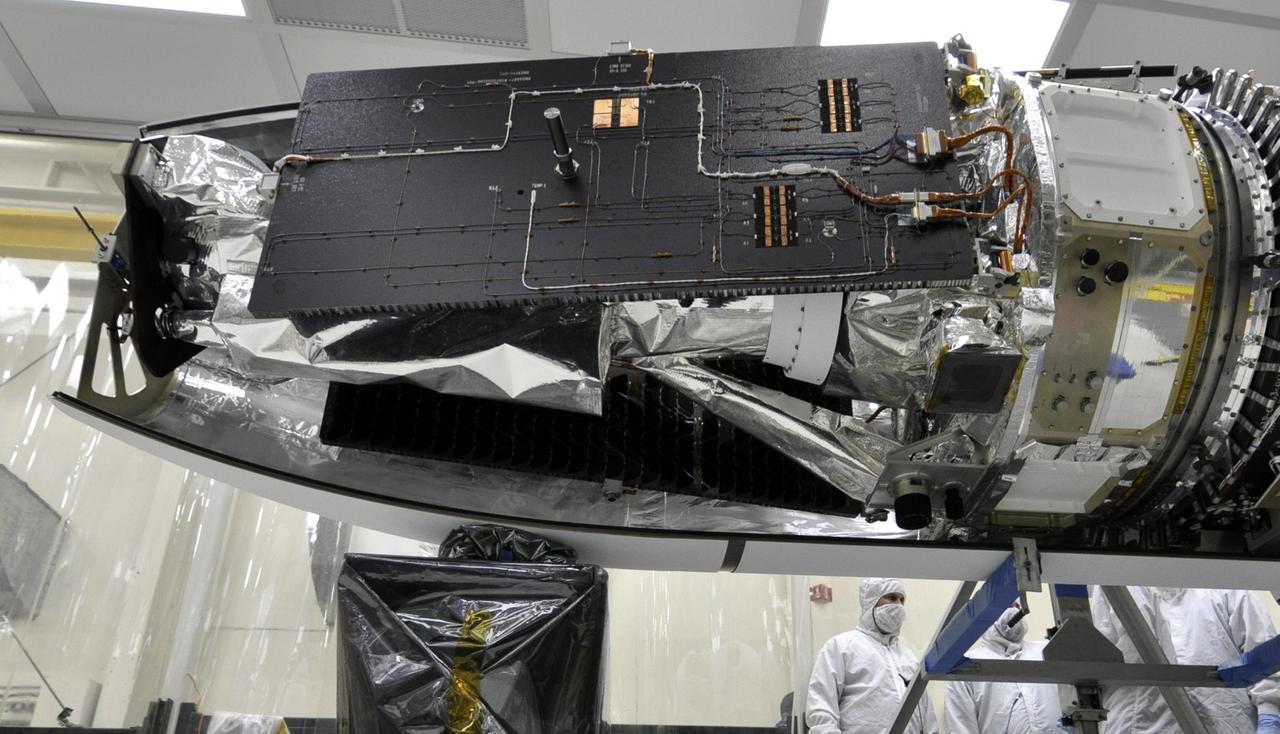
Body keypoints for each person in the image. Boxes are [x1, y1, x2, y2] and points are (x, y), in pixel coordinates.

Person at [1089, 586, 1280, 733]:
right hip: (1141, 725)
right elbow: (1100, 661)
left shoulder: (1226, 586)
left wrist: (1269, 714)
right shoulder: (1114, 587)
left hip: (1221, 723)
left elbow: (1265, 655)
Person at [806, 577, 938, 734]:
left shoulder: (908, 657)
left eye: (901, 600)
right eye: (890, 597)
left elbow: (926, 713)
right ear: (871, 601)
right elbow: (822, 710)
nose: (898, 605)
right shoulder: (840, 647)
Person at [944, 605, 1065, 733]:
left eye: (1017, 606)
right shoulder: (968, 666)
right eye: (1006, 604)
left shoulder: (1046, 651)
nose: (1013, 610)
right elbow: (960, 727)